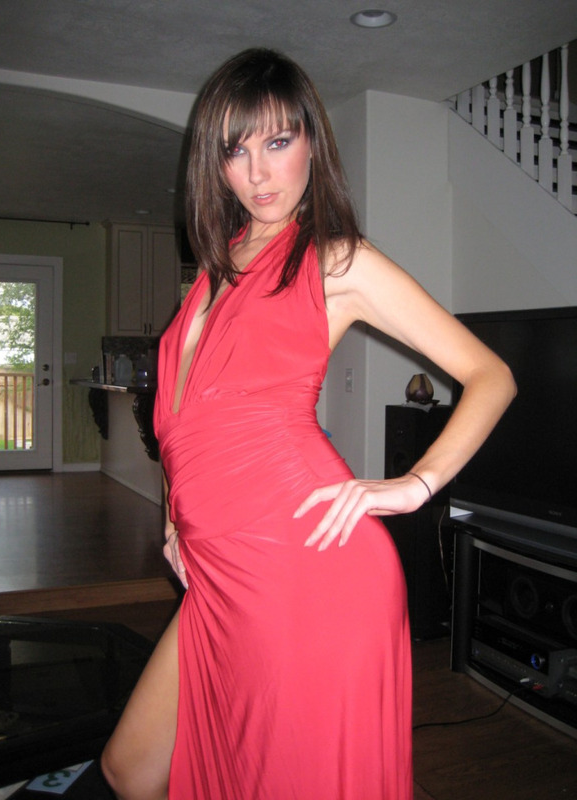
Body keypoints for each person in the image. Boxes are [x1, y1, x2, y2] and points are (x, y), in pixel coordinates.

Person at [101, 48, 515, 800]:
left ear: (312, 145)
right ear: (213, 163)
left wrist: (414, 485)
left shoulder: (336, 261)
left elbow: (492, 375)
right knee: (130, 767)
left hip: (306, 570)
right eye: (236, 149)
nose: (258, 172)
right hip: (219, 572)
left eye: (278, 141)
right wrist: (172, 519)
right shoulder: (214, 270)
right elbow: (184, 420)